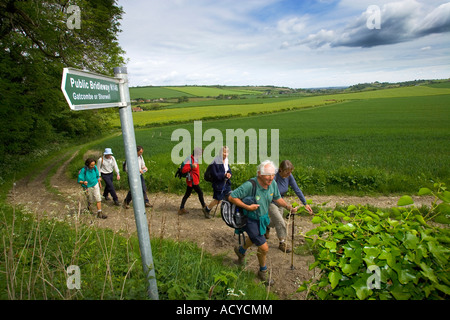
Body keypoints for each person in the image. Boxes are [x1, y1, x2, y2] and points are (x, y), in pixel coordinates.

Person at [228, 160, 297, 284]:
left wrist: (288, 207)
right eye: (267, 175)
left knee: (255, 238)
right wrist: (247, 207)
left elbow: (277, 198)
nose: (270, 178)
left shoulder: (272, 184)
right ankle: (262, 272)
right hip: (250, 219)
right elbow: (232, 197)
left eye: (272, 174)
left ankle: (241, 251)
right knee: (264, 247)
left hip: (262, 219)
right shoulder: (250, 185)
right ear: (259, 173)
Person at [267, 160, 314, 253]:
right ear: (281, 170)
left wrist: (305, 203)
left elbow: (296, 189)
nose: (289, 174)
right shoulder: (274, 177)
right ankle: (282, 243)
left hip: (281, 202)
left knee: (275, 222)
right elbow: (270, 194)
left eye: (290, 172)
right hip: (270, 202)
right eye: (287, 172)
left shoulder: (289, 176)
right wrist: (288, 207)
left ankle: (264, 225)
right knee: (280, 222)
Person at [203, 146, 232, 219]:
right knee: (218, 200)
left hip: (226, 182)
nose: (225, 154)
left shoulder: (226, 160)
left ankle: (228, 212)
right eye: (224, 152)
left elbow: (228, 169)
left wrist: (229, 173)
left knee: (230, 196)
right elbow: (214, 174)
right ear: (220, 153)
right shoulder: (215, 161)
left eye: (227, 152)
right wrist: (224, 175)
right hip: (218, 184)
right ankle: (207, 209)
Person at [178, 147, 207, 216]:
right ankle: (204, 206)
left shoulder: (194, 159)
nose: (200, 156)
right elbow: (183, 170)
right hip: (192, 181)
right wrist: (191, 166)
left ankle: (181, 208)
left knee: (187, 194)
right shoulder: (190, 160)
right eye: (200, 154)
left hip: (193, 180)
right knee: (200, 193)